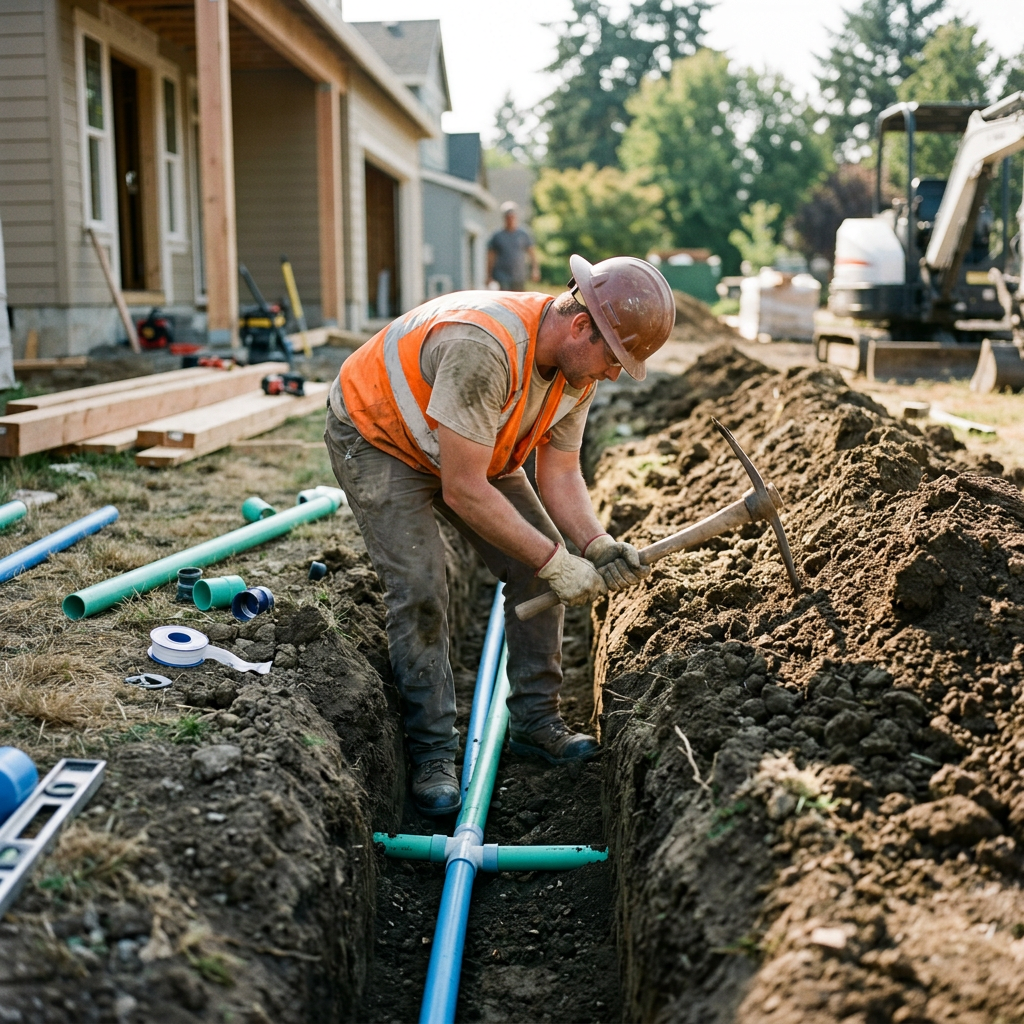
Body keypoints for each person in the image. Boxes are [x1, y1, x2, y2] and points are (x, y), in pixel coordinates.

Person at [324, 254, 675, 817]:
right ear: (581, 325)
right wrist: (556, 561)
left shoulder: (573, 372)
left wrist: (594, 544)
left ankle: (535, 722)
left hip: (472, 444)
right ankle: (434, 750)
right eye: (614, 358)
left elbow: (560, 473)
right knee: (421, 588)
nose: (613, 374)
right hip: (381, 435)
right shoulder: (486, 348)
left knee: (536, 563)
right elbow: (464, 489)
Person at [487, 201, 539, 291]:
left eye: (512, 217)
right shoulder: (497, 236)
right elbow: (491, 256)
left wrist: (535, 270)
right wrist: (489, 275)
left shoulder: (523, 234)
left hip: (519, 276)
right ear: (504, 218)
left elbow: (532, 253)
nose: (510, 219)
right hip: (502, 275)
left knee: (519, 299)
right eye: (508, 217)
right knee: (505, 299)